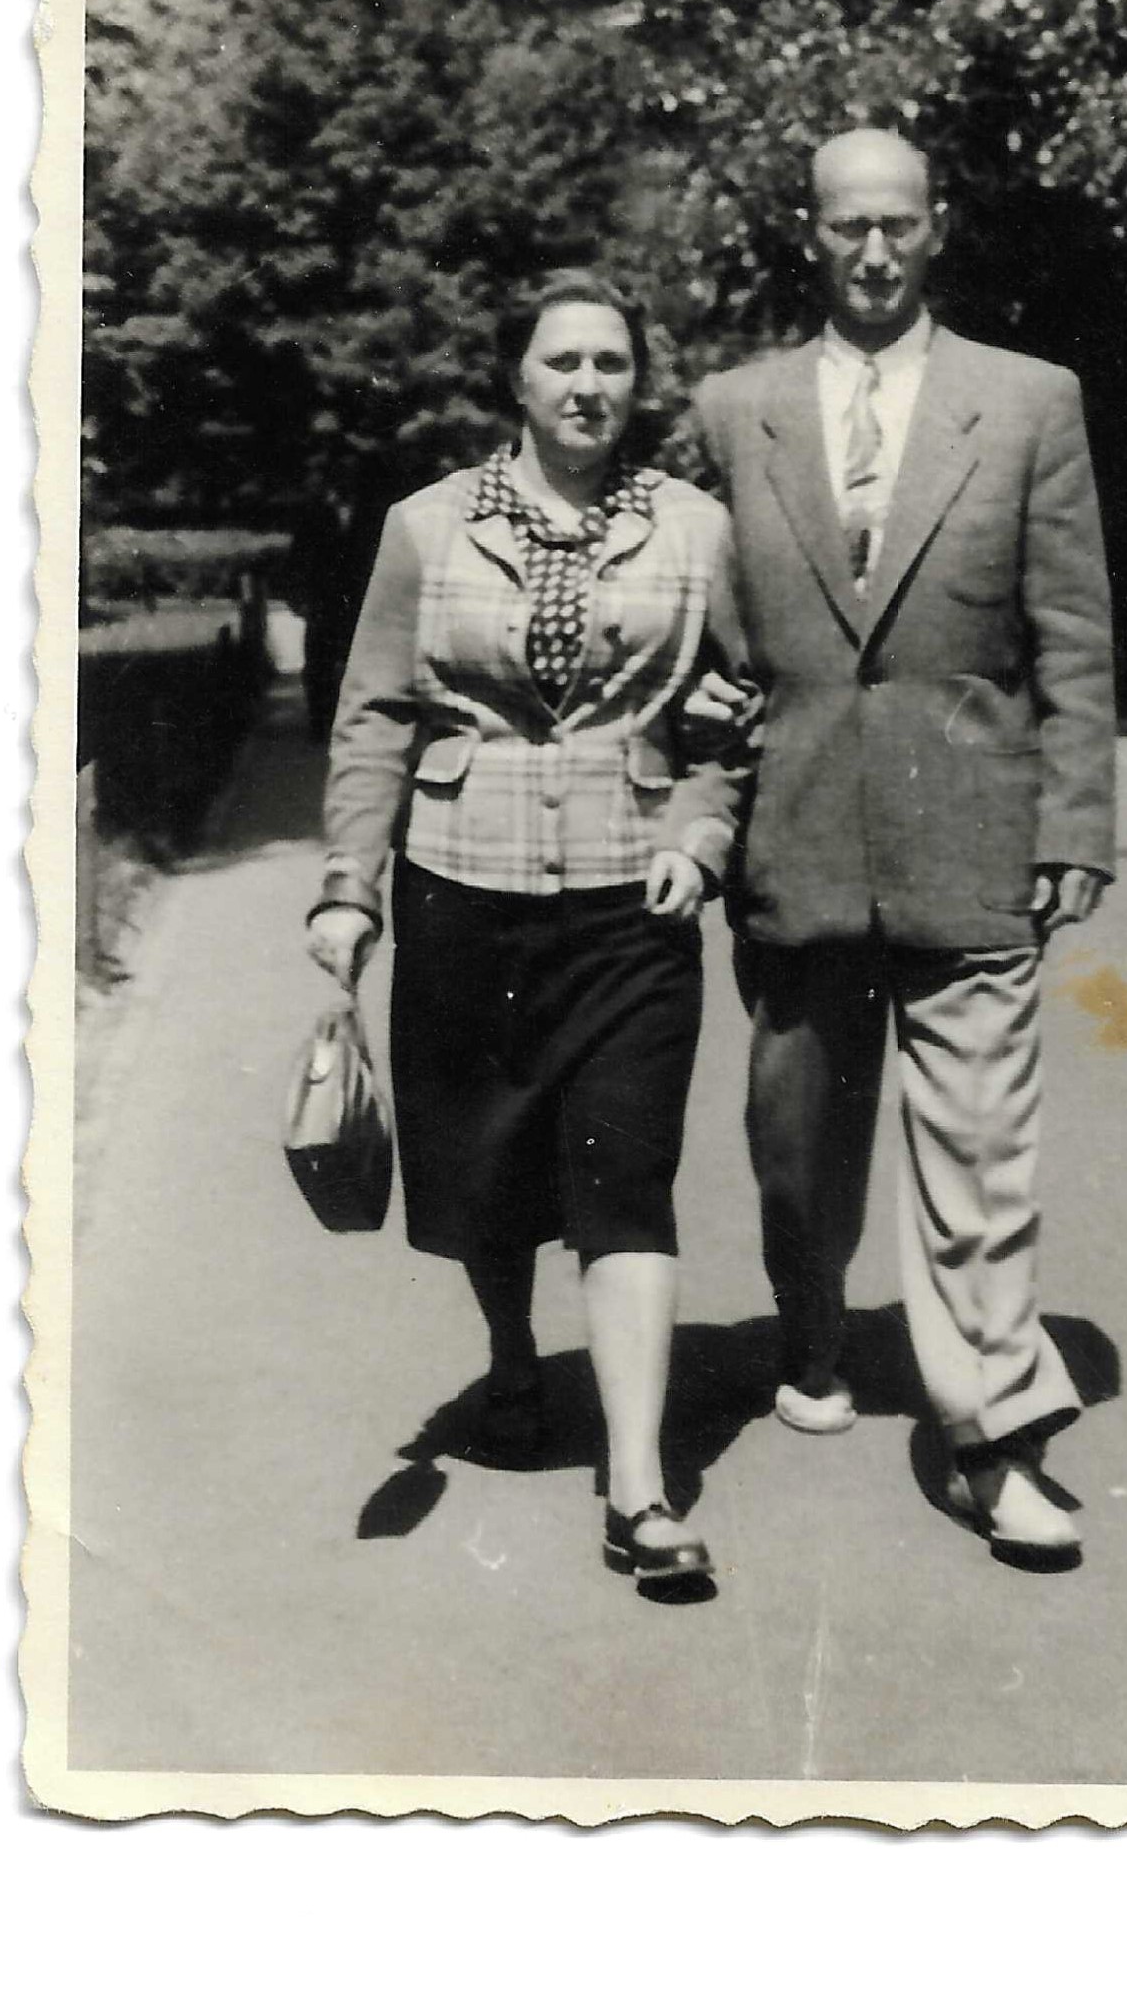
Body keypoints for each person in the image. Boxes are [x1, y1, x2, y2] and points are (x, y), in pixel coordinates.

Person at [679, 130, 1114, 1571]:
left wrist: (1075, 820)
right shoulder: (732, 410)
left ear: (938, 228)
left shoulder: (1031, 400)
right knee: (796, 1148)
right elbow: (693, 619)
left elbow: (1073, 633)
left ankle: (995, 1442)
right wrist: (696, 721)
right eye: (848, 227)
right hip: (794, 834)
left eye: (899, 225)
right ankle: (810, 1323)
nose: (875, 252)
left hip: (971, 831)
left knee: (983, 1151)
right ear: (810, 234)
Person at [307, 269, 745, 1595]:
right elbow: (376, 714)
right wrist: (348, 886)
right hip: (462, 891)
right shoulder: (427, 527)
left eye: (611, 363)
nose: (588, 386)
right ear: (517, 376)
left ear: (639, 382)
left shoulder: (699, 530)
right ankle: (511, 1355)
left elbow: (743, 706)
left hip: (632, 903)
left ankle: (638, 1486)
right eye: (563, 361)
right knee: (488, 1176)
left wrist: (700, 834)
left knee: (626, 1176)